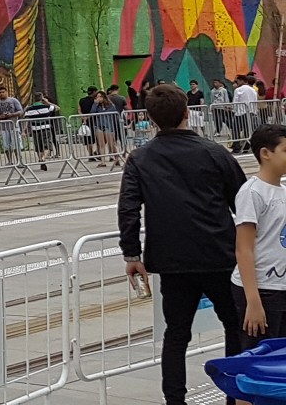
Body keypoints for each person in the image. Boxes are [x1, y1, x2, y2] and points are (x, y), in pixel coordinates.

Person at [118, 84, 246, 405]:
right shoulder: (215, 152)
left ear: (150, 118)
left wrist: (132, 253)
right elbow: (243, 203)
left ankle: (175, 400)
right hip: (220, 255)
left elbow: (128, 208)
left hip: (171, 260)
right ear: (188, 112)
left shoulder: (140, 158)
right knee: (235, 326)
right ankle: (236, 396)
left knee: (176, 334)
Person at [235, 124, 286, 356]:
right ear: (266, 153)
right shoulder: (252, 192)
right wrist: (253, 301)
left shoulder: (282, 190)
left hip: (280, 286)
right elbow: (243, 249)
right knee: (260, 359)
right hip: (262, 290)